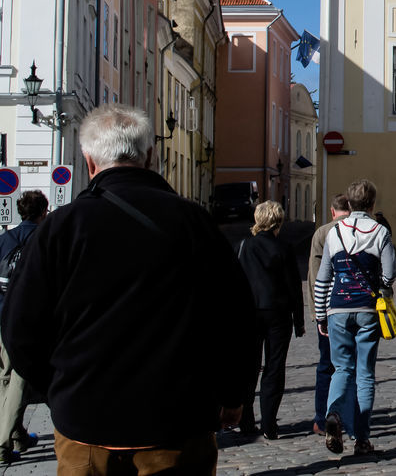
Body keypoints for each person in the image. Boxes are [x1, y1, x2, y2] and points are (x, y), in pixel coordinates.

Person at [1, 104, 256, 472]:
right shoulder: (193, 223)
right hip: (176, 423)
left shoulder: (60, 228)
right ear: (150, 157)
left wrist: (62, 386)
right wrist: (234, 393)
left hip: (85, 425)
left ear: (89, 161)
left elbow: (19, 326)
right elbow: (237, 317)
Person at [314, 179, 396, 457]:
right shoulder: (380, 232)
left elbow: (323, 277)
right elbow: (389, 275)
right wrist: (378, 283)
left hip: (337, 307)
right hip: (367, 309)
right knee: (365, 374)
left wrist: (319, 315)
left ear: (348, 203)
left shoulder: (334, 233)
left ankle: (334, 414)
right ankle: (361, 438)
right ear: (372, 204)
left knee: (341, 369)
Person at [237, 200, 305, 440]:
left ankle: (245, 421)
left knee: (249, 368)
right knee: (274, 368)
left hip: (250, 313)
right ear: (279, 222)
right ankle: (268, 424)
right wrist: (299, 320)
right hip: (278, 314)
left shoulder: (245, 246)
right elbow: (293, 286)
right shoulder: (283, 248)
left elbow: (236, 283)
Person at [0, 191, 47, 463]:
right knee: (19, 380)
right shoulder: (41, 239)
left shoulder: (5, 239)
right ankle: (4, 444)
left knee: (4, 379)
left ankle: (17, 435)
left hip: (1, 315)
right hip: (25, 320)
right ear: (43, 211)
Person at [307, 194, 351, 436]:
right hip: (356, 306)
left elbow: (314, 275)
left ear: (333, 211)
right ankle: (347, 415)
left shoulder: (322, 233)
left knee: (326, 365)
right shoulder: (362, 229)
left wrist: (316, 312)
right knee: (351, 366)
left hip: (329, 308)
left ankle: (321, 418)